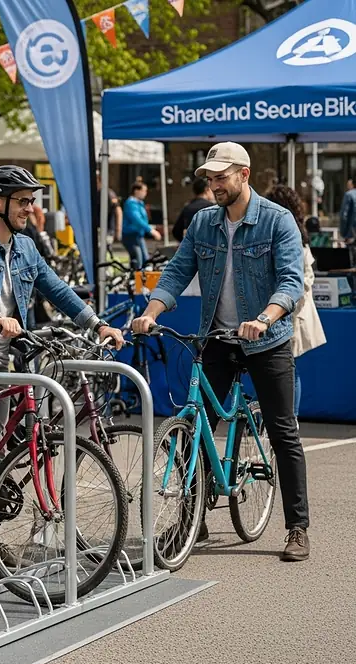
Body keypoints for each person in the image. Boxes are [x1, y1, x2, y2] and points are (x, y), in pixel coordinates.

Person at [0, 165, 125, 561]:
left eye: (32, 201)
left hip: (1, 356)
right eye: (23, 201)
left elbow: (59, 290)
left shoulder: (27, 247)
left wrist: (97, 323)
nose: (30, 208)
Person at [132, 142, 309, 562]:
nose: (214, 185)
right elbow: (177, 270)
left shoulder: (276, 220)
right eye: (209, 178)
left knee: (284, 431)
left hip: (266, 338)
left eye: (221, 177)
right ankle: (194, 520)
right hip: (216, 335)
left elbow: (291, 281)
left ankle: (298, 528)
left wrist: (265, 317)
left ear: (244, 175)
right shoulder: (203, 223)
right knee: (198, 429)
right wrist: (151, 310)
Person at [266, 185, 326, 419]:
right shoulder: (292, 233)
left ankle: (291, 419)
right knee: (285, 368)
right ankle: (286, 418)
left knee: (288, 368)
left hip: (292, 313)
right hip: (284, 311)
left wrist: (285, 302)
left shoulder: (294, 237)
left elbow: (304, 279)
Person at [122, 182, 161, 269]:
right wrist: (150, 230)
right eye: (144, 191)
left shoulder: (139, 203)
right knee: (138, 261)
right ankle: (135, 280)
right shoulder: (131, 204)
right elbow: (137, 219)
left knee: (145, 260)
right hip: (131, 235)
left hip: (138, 235)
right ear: (136, 191)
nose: (145, 193)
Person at [171, 177, 215, 242]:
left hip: (192, 246)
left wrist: (187, 243)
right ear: (206, 190)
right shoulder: (212, 207)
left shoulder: (187, 207)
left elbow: (176, 231)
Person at [96, 172, 123, 246]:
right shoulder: (95, 193)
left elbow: (118, 211)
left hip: (107, 230)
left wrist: (118, 229)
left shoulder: (107, 193)